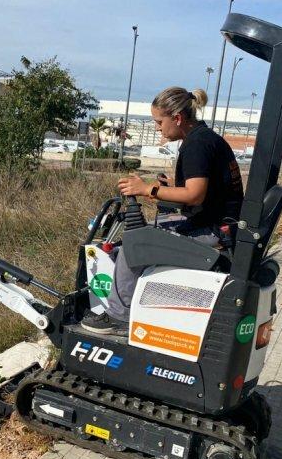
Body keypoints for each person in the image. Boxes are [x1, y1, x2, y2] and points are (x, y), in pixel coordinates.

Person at [81, 86, 244, 335]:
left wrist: (148, 189)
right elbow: (203, 191)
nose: (157, 127)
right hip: (220, 223)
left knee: (134, 246)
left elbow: (194, 194)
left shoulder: (196, 145)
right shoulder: (205, 138)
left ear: (177, 118)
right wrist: (167, 188)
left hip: (216, 230)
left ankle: (119, 317)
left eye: (159, 121)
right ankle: (136, 299)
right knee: (152, 228)